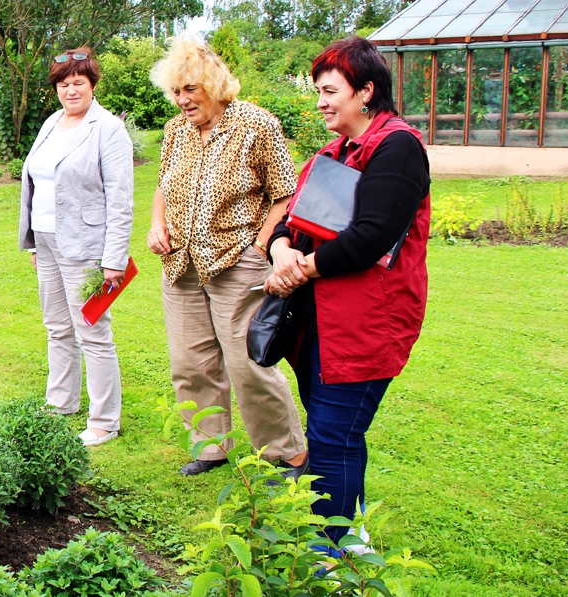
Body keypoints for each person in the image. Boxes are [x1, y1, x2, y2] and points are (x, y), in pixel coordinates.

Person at [265, 36, 430, 554]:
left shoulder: (397, 148)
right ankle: (348, 537)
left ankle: (325, 553)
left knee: (332, 438)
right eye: (318, 91)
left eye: (330, 90)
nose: (320, 102)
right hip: (319, 325)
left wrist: (300, 269)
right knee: (335, 435)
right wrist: (282, 251)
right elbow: (287, 222)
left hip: (363, 327)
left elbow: (371, 237)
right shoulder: (332, 152)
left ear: (366, 91)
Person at [146, 36, 307, 476]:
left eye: (189, 90)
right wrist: (156, 225)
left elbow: (285, 195)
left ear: (213, 85)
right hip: (181, 262)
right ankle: (211, 446)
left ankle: (286, 453)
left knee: (248, 363)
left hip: (238, 260)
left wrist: (261, 246)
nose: (181, 101)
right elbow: (162, 184)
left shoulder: (257, 125)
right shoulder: (176, 131)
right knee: (189, 362)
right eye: (176, 92)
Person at [18, 47, 134, 447]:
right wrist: (33, 242)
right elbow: (37, 182)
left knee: (92, 330)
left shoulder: (107, 129)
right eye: (63, 84)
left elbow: (120, 198)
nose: (71, 90)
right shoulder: (52, 123)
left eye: (78, 83)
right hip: (47, 241)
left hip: (86, 245)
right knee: (56, 327)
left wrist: (114, 259)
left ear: (92, 84)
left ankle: (104, 420)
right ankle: (60, 402)